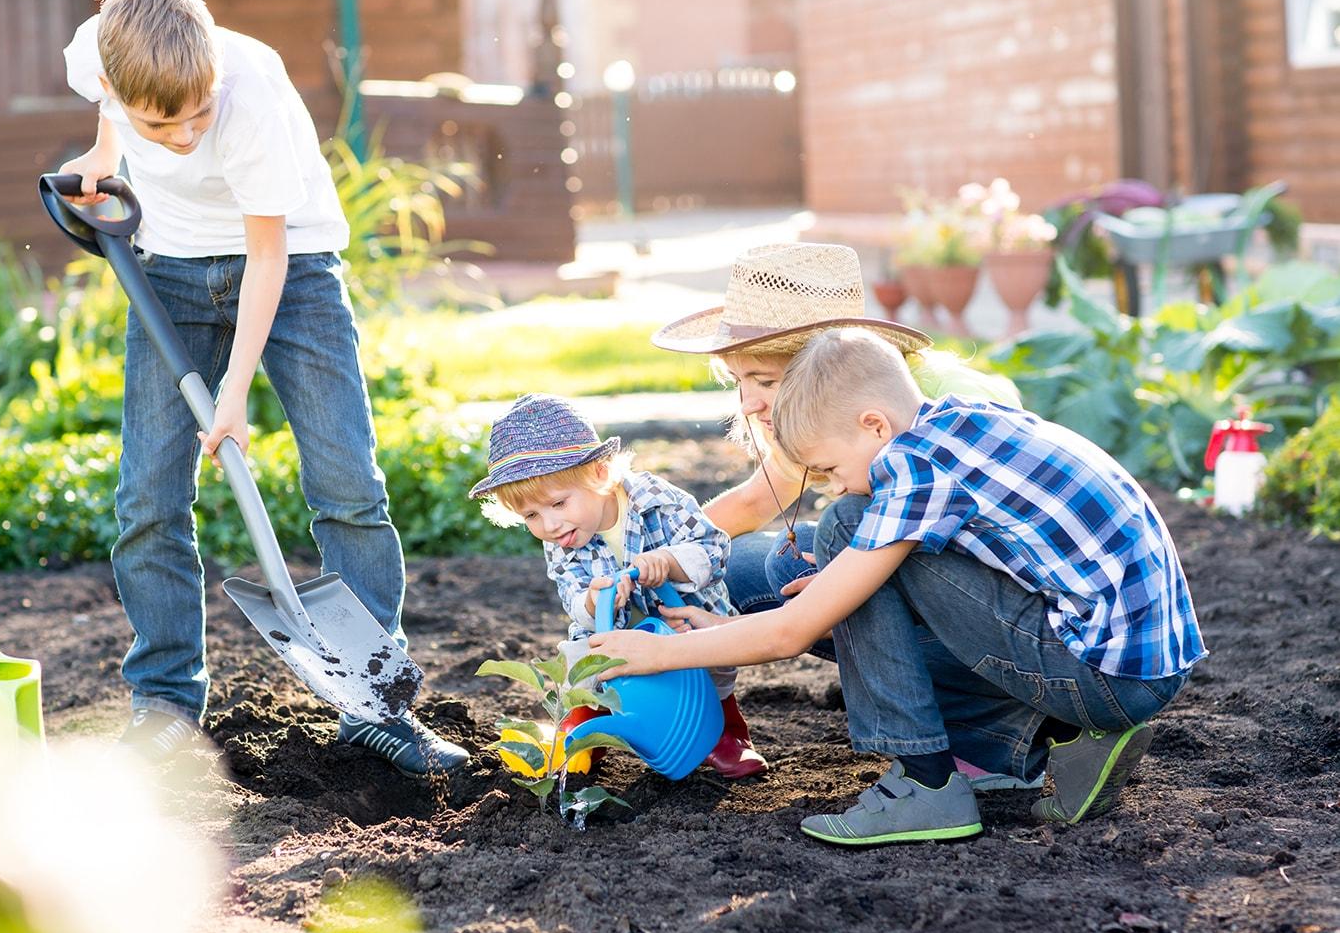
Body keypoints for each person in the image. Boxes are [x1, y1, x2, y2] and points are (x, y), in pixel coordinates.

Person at [58, 0, 465, 775]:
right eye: (158, 125)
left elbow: (268, 256)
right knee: (148, 495)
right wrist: (106, 157)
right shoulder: (93, 57)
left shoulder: (252, 101)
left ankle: (373, 707)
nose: (181, 138)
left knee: (348, 483)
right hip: (168, 268)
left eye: (195, 116)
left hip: (294, 266)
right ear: (111, 82)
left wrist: (234, 395)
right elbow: (110, 117)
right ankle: (166, 699)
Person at [590, 328, 1206, 846]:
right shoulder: (961, 422)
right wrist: (728, 629)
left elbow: (792, 632)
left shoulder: (916, 473)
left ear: (874, 424)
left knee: (847, 525)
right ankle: (1054, 735)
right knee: (854, 543)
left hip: (1105, 677)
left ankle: (928, 782)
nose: (832, 483)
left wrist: (659, 653)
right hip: (1136, 659)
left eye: (830, 467)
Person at [652, 241, 1035, 791]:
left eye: (763, 379)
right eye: (737, 380)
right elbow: (760, 501)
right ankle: (716, 725)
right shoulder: (827, 406)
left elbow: (1005, 551)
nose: (748, 403)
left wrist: (843, 574)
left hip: (1010, 618)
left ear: (821, 361)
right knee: (734, 567)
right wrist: (654, 555)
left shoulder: (939, 404)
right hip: (907, 568)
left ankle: (990, 731)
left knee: (831, 538)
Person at [470, 394, 767, 778]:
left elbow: (714, 548)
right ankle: (580, 734)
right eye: (531, 515)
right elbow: (571, 595)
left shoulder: (657, 501)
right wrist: (592, 602)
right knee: (581, 662)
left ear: (597, 473)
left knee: (709, 665)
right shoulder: (560, 540)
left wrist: (670, 562)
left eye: (558, 504)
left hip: (681, 614)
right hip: (617, 626)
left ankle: (726, 733)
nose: (549, 525)